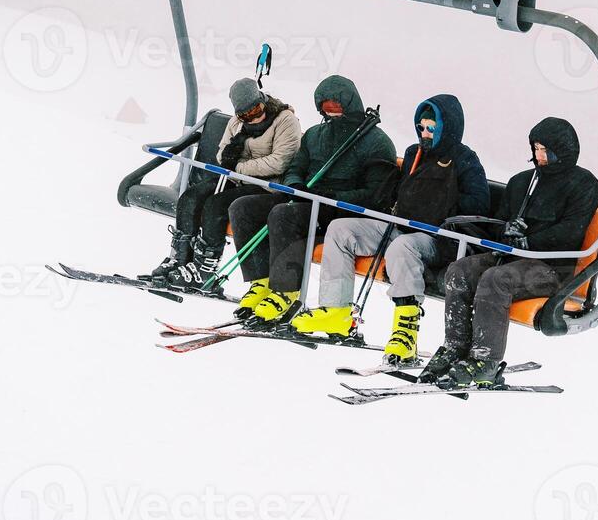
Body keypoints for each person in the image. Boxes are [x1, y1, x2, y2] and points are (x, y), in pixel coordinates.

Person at [288, 95, 489, 363]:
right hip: (401, 225)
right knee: (340, 230)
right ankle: (335, 311)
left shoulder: (464, 160)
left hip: (436, 237)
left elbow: (479, 204)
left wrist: (440, 204)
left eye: (432, 128)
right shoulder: (413, 154)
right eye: (422, 127)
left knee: (401, 248)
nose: (425, 134)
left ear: (446, 128)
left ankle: (405, 332)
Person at [419, 117, 598, 389]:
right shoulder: (522, 182)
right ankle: (455, 347)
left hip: (551, 268)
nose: (540, 156)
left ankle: (485, 361)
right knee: (459, 272)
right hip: (510, 257)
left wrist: (530, 241)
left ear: (563, 151)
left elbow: (570, 232)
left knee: (496, 280)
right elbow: (500, 222)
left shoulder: (583, 185)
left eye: (546, 150)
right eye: (536, 149)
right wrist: (509, 231)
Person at [228, 75, 396, 321]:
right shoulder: (316, 135)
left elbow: (376, 195)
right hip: (307, 197)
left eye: (336, 106)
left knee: (283, 215)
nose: (332, 113)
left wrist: (331, 196)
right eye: (326, 108)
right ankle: (261, 280)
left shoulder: (376, 142)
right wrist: (294, 184)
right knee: (243, 208)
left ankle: (286, 291)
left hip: (339, 209)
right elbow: (296, 166)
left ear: (351, 104)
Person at [148, 78, 301, 288]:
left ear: (262, 100)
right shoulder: (236, 124)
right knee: (190, 197)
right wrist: (229, 157)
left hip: (266, 186)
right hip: (235, 180)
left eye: (256, 110)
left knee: (216, 206)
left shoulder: (285, 120)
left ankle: (205, 269)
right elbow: (222, 154)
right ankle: (180, 259)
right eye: (245, 115)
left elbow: (279, 162)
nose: (253, 118)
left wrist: (238, 167)